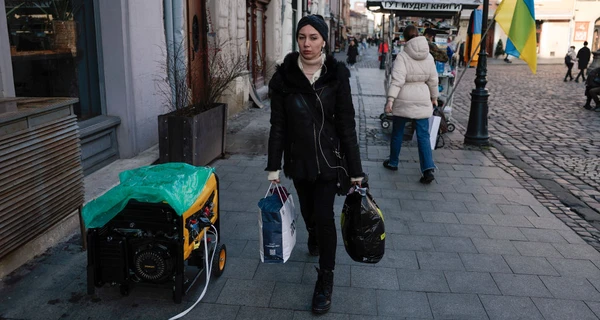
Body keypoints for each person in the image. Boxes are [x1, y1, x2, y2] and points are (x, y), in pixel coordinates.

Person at [266, 14, 364, 315]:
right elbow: (278, 126)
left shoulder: (337, 76)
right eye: (301, 37)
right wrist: (274, 167)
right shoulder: (283, 79)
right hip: (298, 161)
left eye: (313, 38)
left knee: (324, 217)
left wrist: (356, 170)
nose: (306, 44)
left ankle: (325, 278)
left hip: (329, 161)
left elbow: (347, 125)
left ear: (324, 41)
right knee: (308, 213)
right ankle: (312, 235)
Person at [382, 25, 438, 184]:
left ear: (404, 38)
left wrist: (390, 99)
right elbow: (433, 80)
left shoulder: (402, 56)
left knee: (398, 132)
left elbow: (397, 80)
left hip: (404, 98)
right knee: (423, 135)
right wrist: (434, 97)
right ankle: (428, 169)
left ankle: (393, 162)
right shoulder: (429, 56)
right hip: (422, 97)